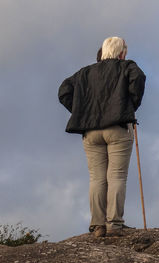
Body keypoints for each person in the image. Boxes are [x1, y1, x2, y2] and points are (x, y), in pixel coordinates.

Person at [58, 37, 146, 237]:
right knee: (116, 176)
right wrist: (130, 105)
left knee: (96, 178)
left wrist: (79, 111)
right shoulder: (127, 66)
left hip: (91, 131)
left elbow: (64, 90)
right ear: (121, 53)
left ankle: (98, 226)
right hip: (117, 128)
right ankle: (114, 224)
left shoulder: (84, 73)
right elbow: (138, 79)